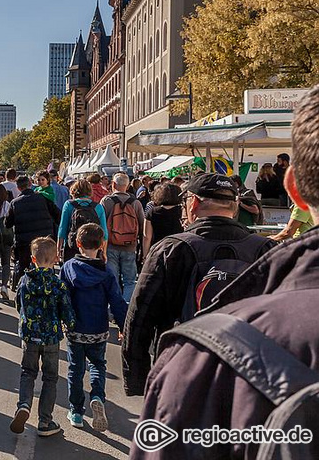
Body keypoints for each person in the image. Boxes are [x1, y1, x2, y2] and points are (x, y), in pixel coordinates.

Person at [130, 87, 319, 460]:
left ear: (293, 188)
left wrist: (140, 377)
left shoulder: (200, 361)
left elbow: (141, 315)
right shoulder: (260, 248)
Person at [122, 173, 276, 397]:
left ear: (192, 203)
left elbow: (140, 317)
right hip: (246, 374)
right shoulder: (265, 249)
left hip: (180, 370)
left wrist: (138, 380)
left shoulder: (171, 249)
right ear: (234, 208)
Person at [60, 223, 127, 432]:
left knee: (75, 369)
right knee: (97, 365)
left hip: (75, 328)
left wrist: (60, 320)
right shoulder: (106, 272)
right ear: (101, 245)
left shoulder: (69, 267)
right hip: (98, 328)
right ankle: (97, 396)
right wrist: (124, 326)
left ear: (78, 243)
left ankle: (76, 411)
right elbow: (116, 301)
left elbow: (62, 298)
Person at [10, 237, 75, 437]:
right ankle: (45, 421)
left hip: (30, 335)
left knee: (27, 372)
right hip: (51, 338)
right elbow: (67, 311)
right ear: (56, 259)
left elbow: (18, 304)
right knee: (50, 378)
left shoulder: (25, 280)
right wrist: (70, 325)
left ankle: (24, 405)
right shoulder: (58, 284)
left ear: (32, 258)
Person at [6, 175, 61, 286]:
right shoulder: (43, 198)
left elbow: (8, 223)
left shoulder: (15, 203)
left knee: (24, 268)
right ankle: (48, 288)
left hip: (24, 242)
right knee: (46, 265)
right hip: (44, 240)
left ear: (18, 187)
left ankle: (24, 291)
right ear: (30, 184)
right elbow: (58, 216)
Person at [100, 173, 145, 302]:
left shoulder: (107, 201)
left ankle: (115, 308)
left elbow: (101, 225)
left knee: (113, 279)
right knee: (130, 281)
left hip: (110, 245)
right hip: (130, 245)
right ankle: (125, 308)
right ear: (127, 186)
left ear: (113, 184)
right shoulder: (135, 203)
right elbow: (142, 225)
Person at [57, 180, 108, 263]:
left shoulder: (69, 205)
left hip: (72, 247)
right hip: (93, 247)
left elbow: (62, 228)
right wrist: (104, 252)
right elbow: (104, 233)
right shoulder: (98, 207)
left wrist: (59, 249)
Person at [141, 183, 184, 260]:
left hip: (158, 249)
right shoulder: (182, 211)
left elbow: (147, 237)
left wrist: (145, 255)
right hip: (179, 249)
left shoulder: (152, 212)